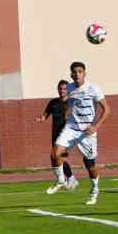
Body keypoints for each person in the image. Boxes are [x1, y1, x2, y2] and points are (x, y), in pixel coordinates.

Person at [46, 61, 108, 206]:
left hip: (87, 132)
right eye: (74, 72)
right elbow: (71, 103)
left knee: (90, 164)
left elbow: (107, 109)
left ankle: (94, 190)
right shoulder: (69, 87)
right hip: (72, 128)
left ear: (85, 73)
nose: (77, 74)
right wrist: (68, 113)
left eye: (80, 71)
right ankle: (61, 180)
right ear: (71, 74)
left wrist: (96, 126)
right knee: (55, 153)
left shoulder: (94, 88)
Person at [40, 80, 76, 189]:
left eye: (64, 89)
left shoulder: (71, 103)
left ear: (68, 90)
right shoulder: (53, 102)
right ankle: (69, 178)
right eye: (60, 88)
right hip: (55, 134)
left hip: (66, 135)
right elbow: (46, 114)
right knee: (56, 158)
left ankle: (67, 179)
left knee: (59, 157)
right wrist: (41, 119)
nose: (62, 91)